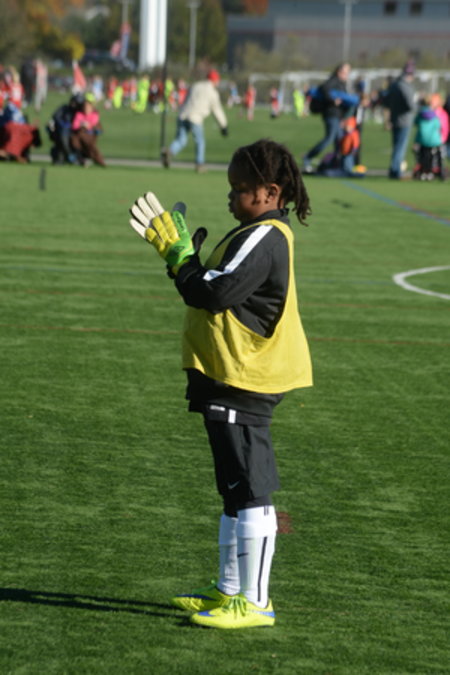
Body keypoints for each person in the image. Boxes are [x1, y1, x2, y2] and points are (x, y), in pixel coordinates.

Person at [129, 138, 313, 629]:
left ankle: (255, 602)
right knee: (233, 488)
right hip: (226, 373)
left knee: (251, 489)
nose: (230, 196)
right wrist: (182, 261)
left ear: (269, 192)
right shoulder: (251, 231)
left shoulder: (266, 235)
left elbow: (213, 292)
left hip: (245, 377)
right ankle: (229, 589)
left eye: (239, 188)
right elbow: (206, 288)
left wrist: (181, 257)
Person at [161, 69, 228, 173]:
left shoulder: (196, 85)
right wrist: (223, 126)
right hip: (196, 118)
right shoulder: (212, 92)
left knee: (181, 140)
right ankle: (199, 164)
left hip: (183, 115)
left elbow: (185, 100)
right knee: (200, 141)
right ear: (214, 80)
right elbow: (217, 110)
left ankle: (170, 152)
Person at [302, 63, 354, 172]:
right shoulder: (334, 80)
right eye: (345, 72)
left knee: (340, 140)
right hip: (331, 114)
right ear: (339, 72)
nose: (346, 75)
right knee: (329, 138)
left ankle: (339, 165)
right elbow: (324, 88)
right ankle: (308, 157)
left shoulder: (342, 83)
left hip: (338, 116)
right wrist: (332, 100)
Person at [382, 61, 416, 179]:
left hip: (395, 118)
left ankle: (394, 169)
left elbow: (386, 101)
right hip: (404, 120)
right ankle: (396, 171)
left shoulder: (394, 85)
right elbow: (410, 104)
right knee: (400, 147)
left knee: (397, 145)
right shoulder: (404, 86)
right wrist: (417, 108)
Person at [412, 95, 444, 181]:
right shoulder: (436, 115)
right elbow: (438, 126)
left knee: (423, 157)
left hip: (423, 140)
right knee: (436, 157)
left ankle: (425, 171)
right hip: (435, 140)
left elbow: (415, 122)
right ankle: (437, 171)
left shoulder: (420, 114)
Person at [46, 93, 84, 164]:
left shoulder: (79, 113)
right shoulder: (64, 108)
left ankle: (72, 156)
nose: (73, 104)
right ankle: (68, 156)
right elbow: (55, 117)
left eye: (76, 103)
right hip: (60, 132)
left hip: (73, 133)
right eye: (73, 101)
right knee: (62, 140)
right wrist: (63, 124)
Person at [70, 98, 105, 167]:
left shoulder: (94, 115)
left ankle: (98, 160)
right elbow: (74, 126)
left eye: (88, 107)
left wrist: (87, 125)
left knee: (90, 145)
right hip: (80, 135)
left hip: (90, 135)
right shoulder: (79, 114)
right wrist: (81, 125)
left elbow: (94, 124)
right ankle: (82, 159)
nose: (86, 109)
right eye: (85, 107)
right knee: (76, 141)